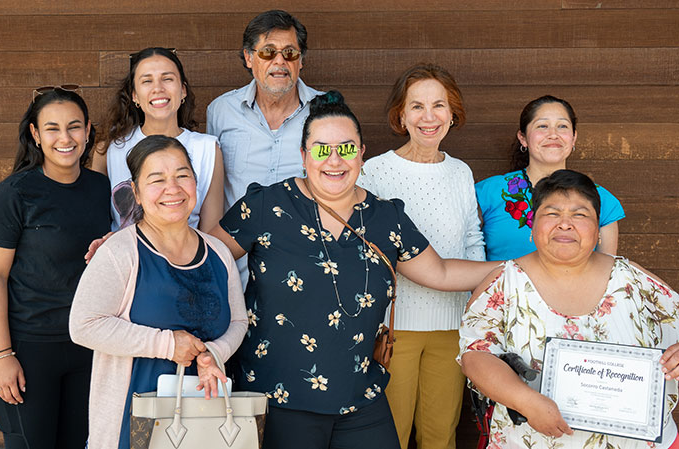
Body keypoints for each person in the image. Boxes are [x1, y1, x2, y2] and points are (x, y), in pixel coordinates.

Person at [211, 91, 498, 449]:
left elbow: (439, 272)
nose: (334, 160)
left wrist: (521, 267)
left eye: (346, 148)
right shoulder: (266, 206)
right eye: (321, 149)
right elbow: (208, 262)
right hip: (280, 397)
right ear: (303, 156)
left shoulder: (385, 216)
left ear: (361, 153)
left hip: (360, 396)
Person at [460, 169, 679, 449]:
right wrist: (526, 400)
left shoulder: (631, 279)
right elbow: (476, 355)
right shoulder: (504, 281)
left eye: (580, 214)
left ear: (598, 228)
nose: (565, 224)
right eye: (552, 213)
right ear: (532, 225)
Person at [69, 135, 247, 449]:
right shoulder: (120, 252)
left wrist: (212, 354)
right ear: (135, 192)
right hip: (130, 426)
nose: (173, 188)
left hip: (200, 425)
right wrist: (167, 344)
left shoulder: (218, 253)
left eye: (182, 175)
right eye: (157, 179)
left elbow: (238, 322)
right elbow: (83, 325)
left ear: (196, 182)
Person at [358, 63, 484, 449]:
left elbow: (471, 238)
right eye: (417, 106)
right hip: (395, 327)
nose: (428, 117)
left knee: (440, 436)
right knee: (390, 435)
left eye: (439, 106)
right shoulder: (374, 171)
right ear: (401, 115)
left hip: (451, 328)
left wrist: (473, 311)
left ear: (452, 113)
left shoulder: (460, 172)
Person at [0, 87, 110, 448]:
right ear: (36, 135)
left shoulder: (102, 189)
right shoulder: (16, 193)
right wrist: (3, 355)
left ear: (87, 130)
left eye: (74, 127)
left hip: (86, 346)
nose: (65, 138)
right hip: (27, 348)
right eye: (52, 128)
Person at [207, 10, 322, 287]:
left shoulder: (326, 111)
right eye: (268, 52)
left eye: (290, 53)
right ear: (249, 58)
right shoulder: (221, 111)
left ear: (301, 61)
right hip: (236, 272)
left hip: (307, 271)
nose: (279, 61)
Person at [475, 95, 624, 261]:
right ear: (523, 138)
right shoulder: (487, 193)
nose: (553, 134)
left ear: (573, 137)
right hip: (502, 286)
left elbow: (608, 273)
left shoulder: (603, 200)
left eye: (562, 126)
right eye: (542, 126)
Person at [93, 47, 224, 233]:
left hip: (186, 260)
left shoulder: (208, 149)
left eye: (167, 79)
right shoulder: (109, 149)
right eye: (147, 81)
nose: (158, 89)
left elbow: (211, 232)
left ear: (183, 90)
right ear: (134, 96)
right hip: (126, 259)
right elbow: (96, 225)